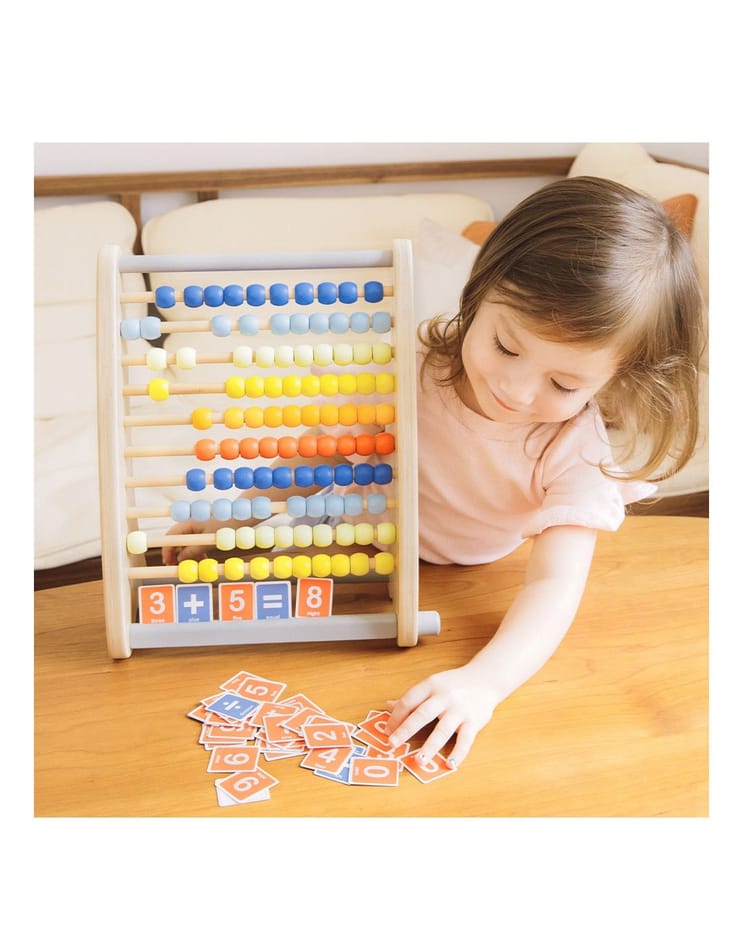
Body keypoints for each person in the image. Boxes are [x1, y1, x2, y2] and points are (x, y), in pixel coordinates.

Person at [163, 176, 706, 769]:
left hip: (466, 575)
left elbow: (554, 586)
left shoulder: (576, 451)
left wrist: (483, 684)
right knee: (232, 607)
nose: (517, 390)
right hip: (357, 534)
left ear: (615, 377)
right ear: (479, 290)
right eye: (506, 347)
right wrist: (236, 515)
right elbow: (327, 454)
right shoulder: (414, 370)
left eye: (563, 383)